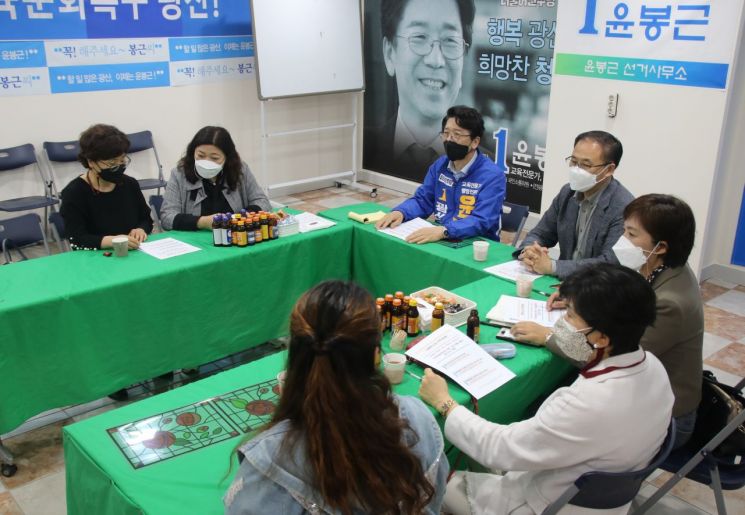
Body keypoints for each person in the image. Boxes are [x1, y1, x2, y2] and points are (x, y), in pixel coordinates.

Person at [419, 263, 674, 515]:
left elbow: (499, 449)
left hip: (545, 504)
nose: (562, 322)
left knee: (421, 482)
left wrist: (444, 402)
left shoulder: (588, 403)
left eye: (572, 316)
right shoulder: (655, 370)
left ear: (603, 338)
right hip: (603, 498)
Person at [224, 280, 448, 514]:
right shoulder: (418, 417)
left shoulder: (271, 458)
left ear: (295, 356)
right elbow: (434, 497)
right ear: (375, 354)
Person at [513, 194, 703, 449]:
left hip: (665, 416)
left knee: (543, 409)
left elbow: (612, 356)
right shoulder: (653, 266)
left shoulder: (671, 302)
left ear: (661, 247)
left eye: (632, 234)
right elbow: (615, 293)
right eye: (624, 230)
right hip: (634, 392)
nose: (623, 241)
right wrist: (579, 297)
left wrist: (549, 336)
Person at [364, 0, 476, 182]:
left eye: (450, 40)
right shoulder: (364, 148)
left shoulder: (487, 164)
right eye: (419, 37)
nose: (436, 60)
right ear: (389, 53)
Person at [375, 105, 505, 243]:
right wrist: (401, 212)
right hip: (443, 238)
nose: (449, 139)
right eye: (446, 133)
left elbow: (481, 220)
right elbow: (423, 200)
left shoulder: (492, 176)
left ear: (475, 142)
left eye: (457, 134)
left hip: (478, 244)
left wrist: (445, 231)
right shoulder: (439, 166)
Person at [514, 130, 634, 279]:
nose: (577, 169)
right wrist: (529, 250)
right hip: (563, 283)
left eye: (585, 164)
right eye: (574, 161)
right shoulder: (568, 192)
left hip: (598, 288)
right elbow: (540, 233)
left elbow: (610, 263)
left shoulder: (624, 207)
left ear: (609, 169)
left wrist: (553, 266)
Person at [60, 124, 153, 250]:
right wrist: (111, 241)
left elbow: (146, 218)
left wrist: (141, 229)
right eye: (112, 163)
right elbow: (77, 239)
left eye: (122, 161)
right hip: (96, 258)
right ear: (91, 162)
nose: (119, 167)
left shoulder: (130, 184)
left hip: (133, 250)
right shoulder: (74, 193)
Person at [160, 126, 271, 231]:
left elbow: (262, 202)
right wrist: (202, 222)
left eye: (214, 158)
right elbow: (166, 218)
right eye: (201, 155)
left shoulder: (240, 170)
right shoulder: (179, 174)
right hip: (195, 242)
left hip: (235, 237)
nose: (207, 162)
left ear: (227, 158)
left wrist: (243, 216)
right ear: (193, 152)